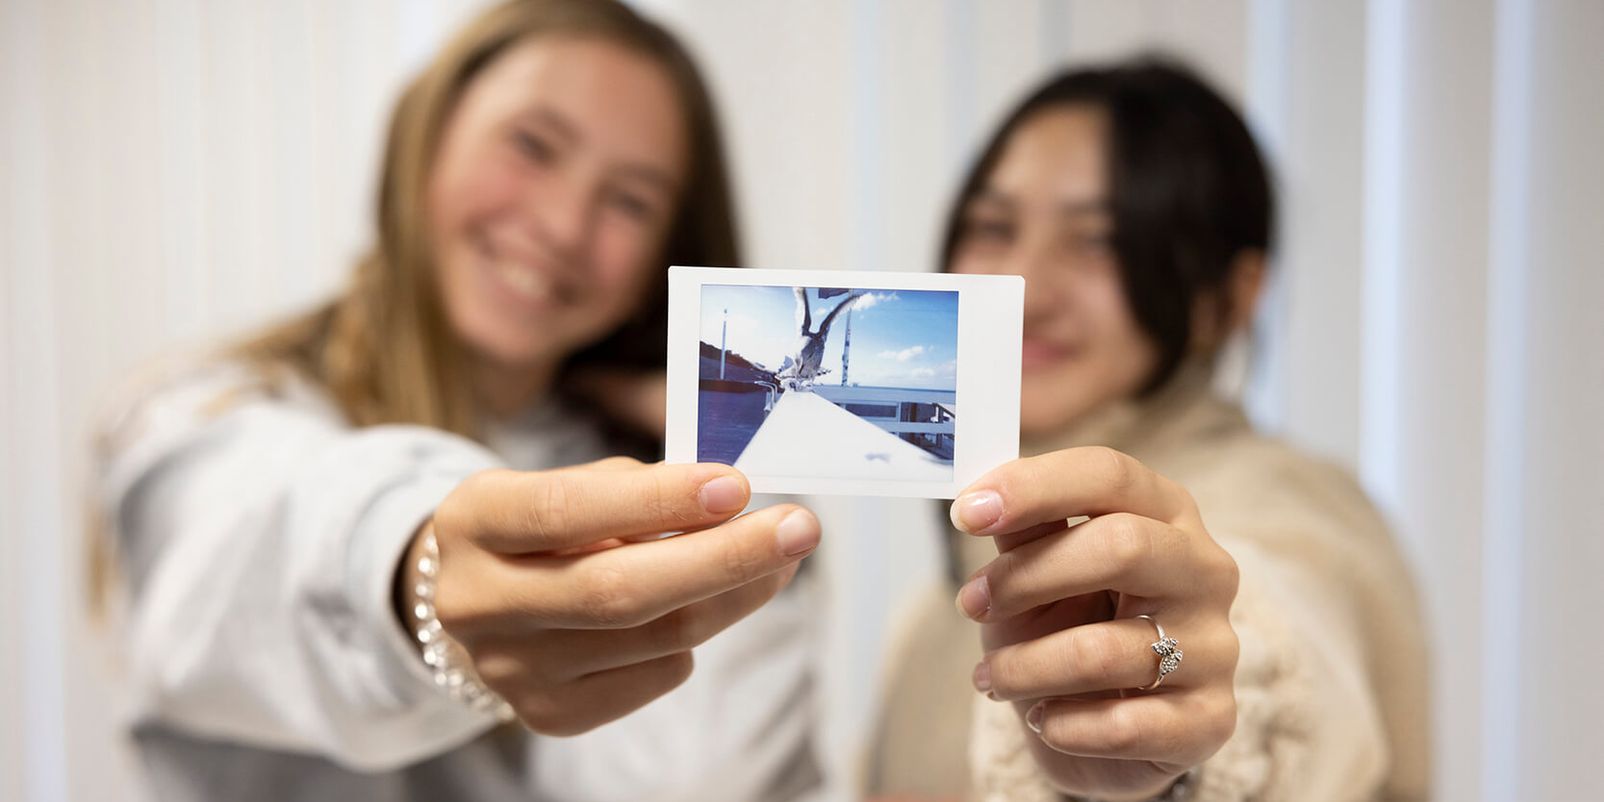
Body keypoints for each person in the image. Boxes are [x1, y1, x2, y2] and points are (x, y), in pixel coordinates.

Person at [91, 2, 827, 800]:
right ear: (426, 137)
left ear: (662, 261)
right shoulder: (203, 414)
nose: (563, 226)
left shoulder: (659, 472)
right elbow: (265, 550)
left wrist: (740, 469)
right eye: (532, 146)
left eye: (630, 202)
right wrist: (422, 572)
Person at [865, 62, 1430, 801]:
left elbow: (1275, 644)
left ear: (1227, 298)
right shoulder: (931, 608)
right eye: (994, 228)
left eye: (1099, 241)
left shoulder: (1294, 507)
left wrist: (1172, 735)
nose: (1026, 289)